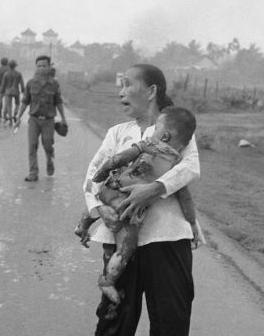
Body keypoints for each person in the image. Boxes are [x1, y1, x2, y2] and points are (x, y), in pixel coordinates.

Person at [80, 64, 200, 336]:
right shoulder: (119, 133)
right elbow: (93, 175)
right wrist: (96, 208)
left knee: (173, 314)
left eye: (127, 84)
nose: (120, 91)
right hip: (121, 235)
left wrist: (154, 189)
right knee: (115, 310)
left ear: (151, 90)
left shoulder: (176, 128)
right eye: (120, 85)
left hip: (168, 236)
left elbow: (190, 168)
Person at [77, 106, 205, 306]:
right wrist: (193, 225)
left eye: (156, 129)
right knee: (127, 247)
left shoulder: (146, 144)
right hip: (127, 206)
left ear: (164, 136)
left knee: (102, 200)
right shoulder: (176, 166)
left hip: (113, 187)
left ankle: (82, 226)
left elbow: (119, 159)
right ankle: (108, 281)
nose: (151, 131)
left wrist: (102, 173)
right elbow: (186, 200)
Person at [14, 55, 67, 181]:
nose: (41, 68)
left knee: (47, 144)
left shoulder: (54, 84)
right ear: (36, 67)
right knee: (32, 145)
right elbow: (25, 101)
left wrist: (63, 118)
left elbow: (58, 102)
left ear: (49, 67)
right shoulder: (31, 83)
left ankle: (49, 159)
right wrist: (18, 117)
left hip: (48, 121)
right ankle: (33, 172)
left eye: (44, 66)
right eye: (39, 66)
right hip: (34, 120)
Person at [0, 60, 24, 124]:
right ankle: (15, 114)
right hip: (16, 91)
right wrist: (23, 91)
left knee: (9, 105)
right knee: (17, 104)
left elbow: (3, 84)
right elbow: (22, 84)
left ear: (9, 66)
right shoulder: (18, 74)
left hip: (8, 91)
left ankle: (10, 119)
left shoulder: (6, 74)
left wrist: (1, 91)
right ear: (15, 66)